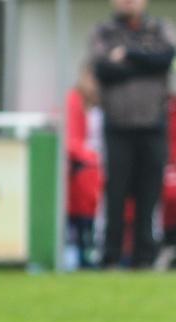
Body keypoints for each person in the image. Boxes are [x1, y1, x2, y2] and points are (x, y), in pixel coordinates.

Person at [89, 0, 176, 268]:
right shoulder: (103, 31)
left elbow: (166, 58)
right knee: (114, 194)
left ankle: (145, 258)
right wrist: (145, 61)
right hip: (117, 126)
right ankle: (110, 256)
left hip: (153, 126)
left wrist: (128, 54)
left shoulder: (161, 29)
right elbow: (103, 69)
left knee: (149, 195)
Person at [66, 65, 104, 269]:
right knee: (87, 182)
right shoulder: (73, 101)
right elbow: (71, 140)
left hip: (101, 164)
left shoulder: (107, 104)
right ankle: (83, 249)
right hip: (85, 167)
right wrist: (91, 158)